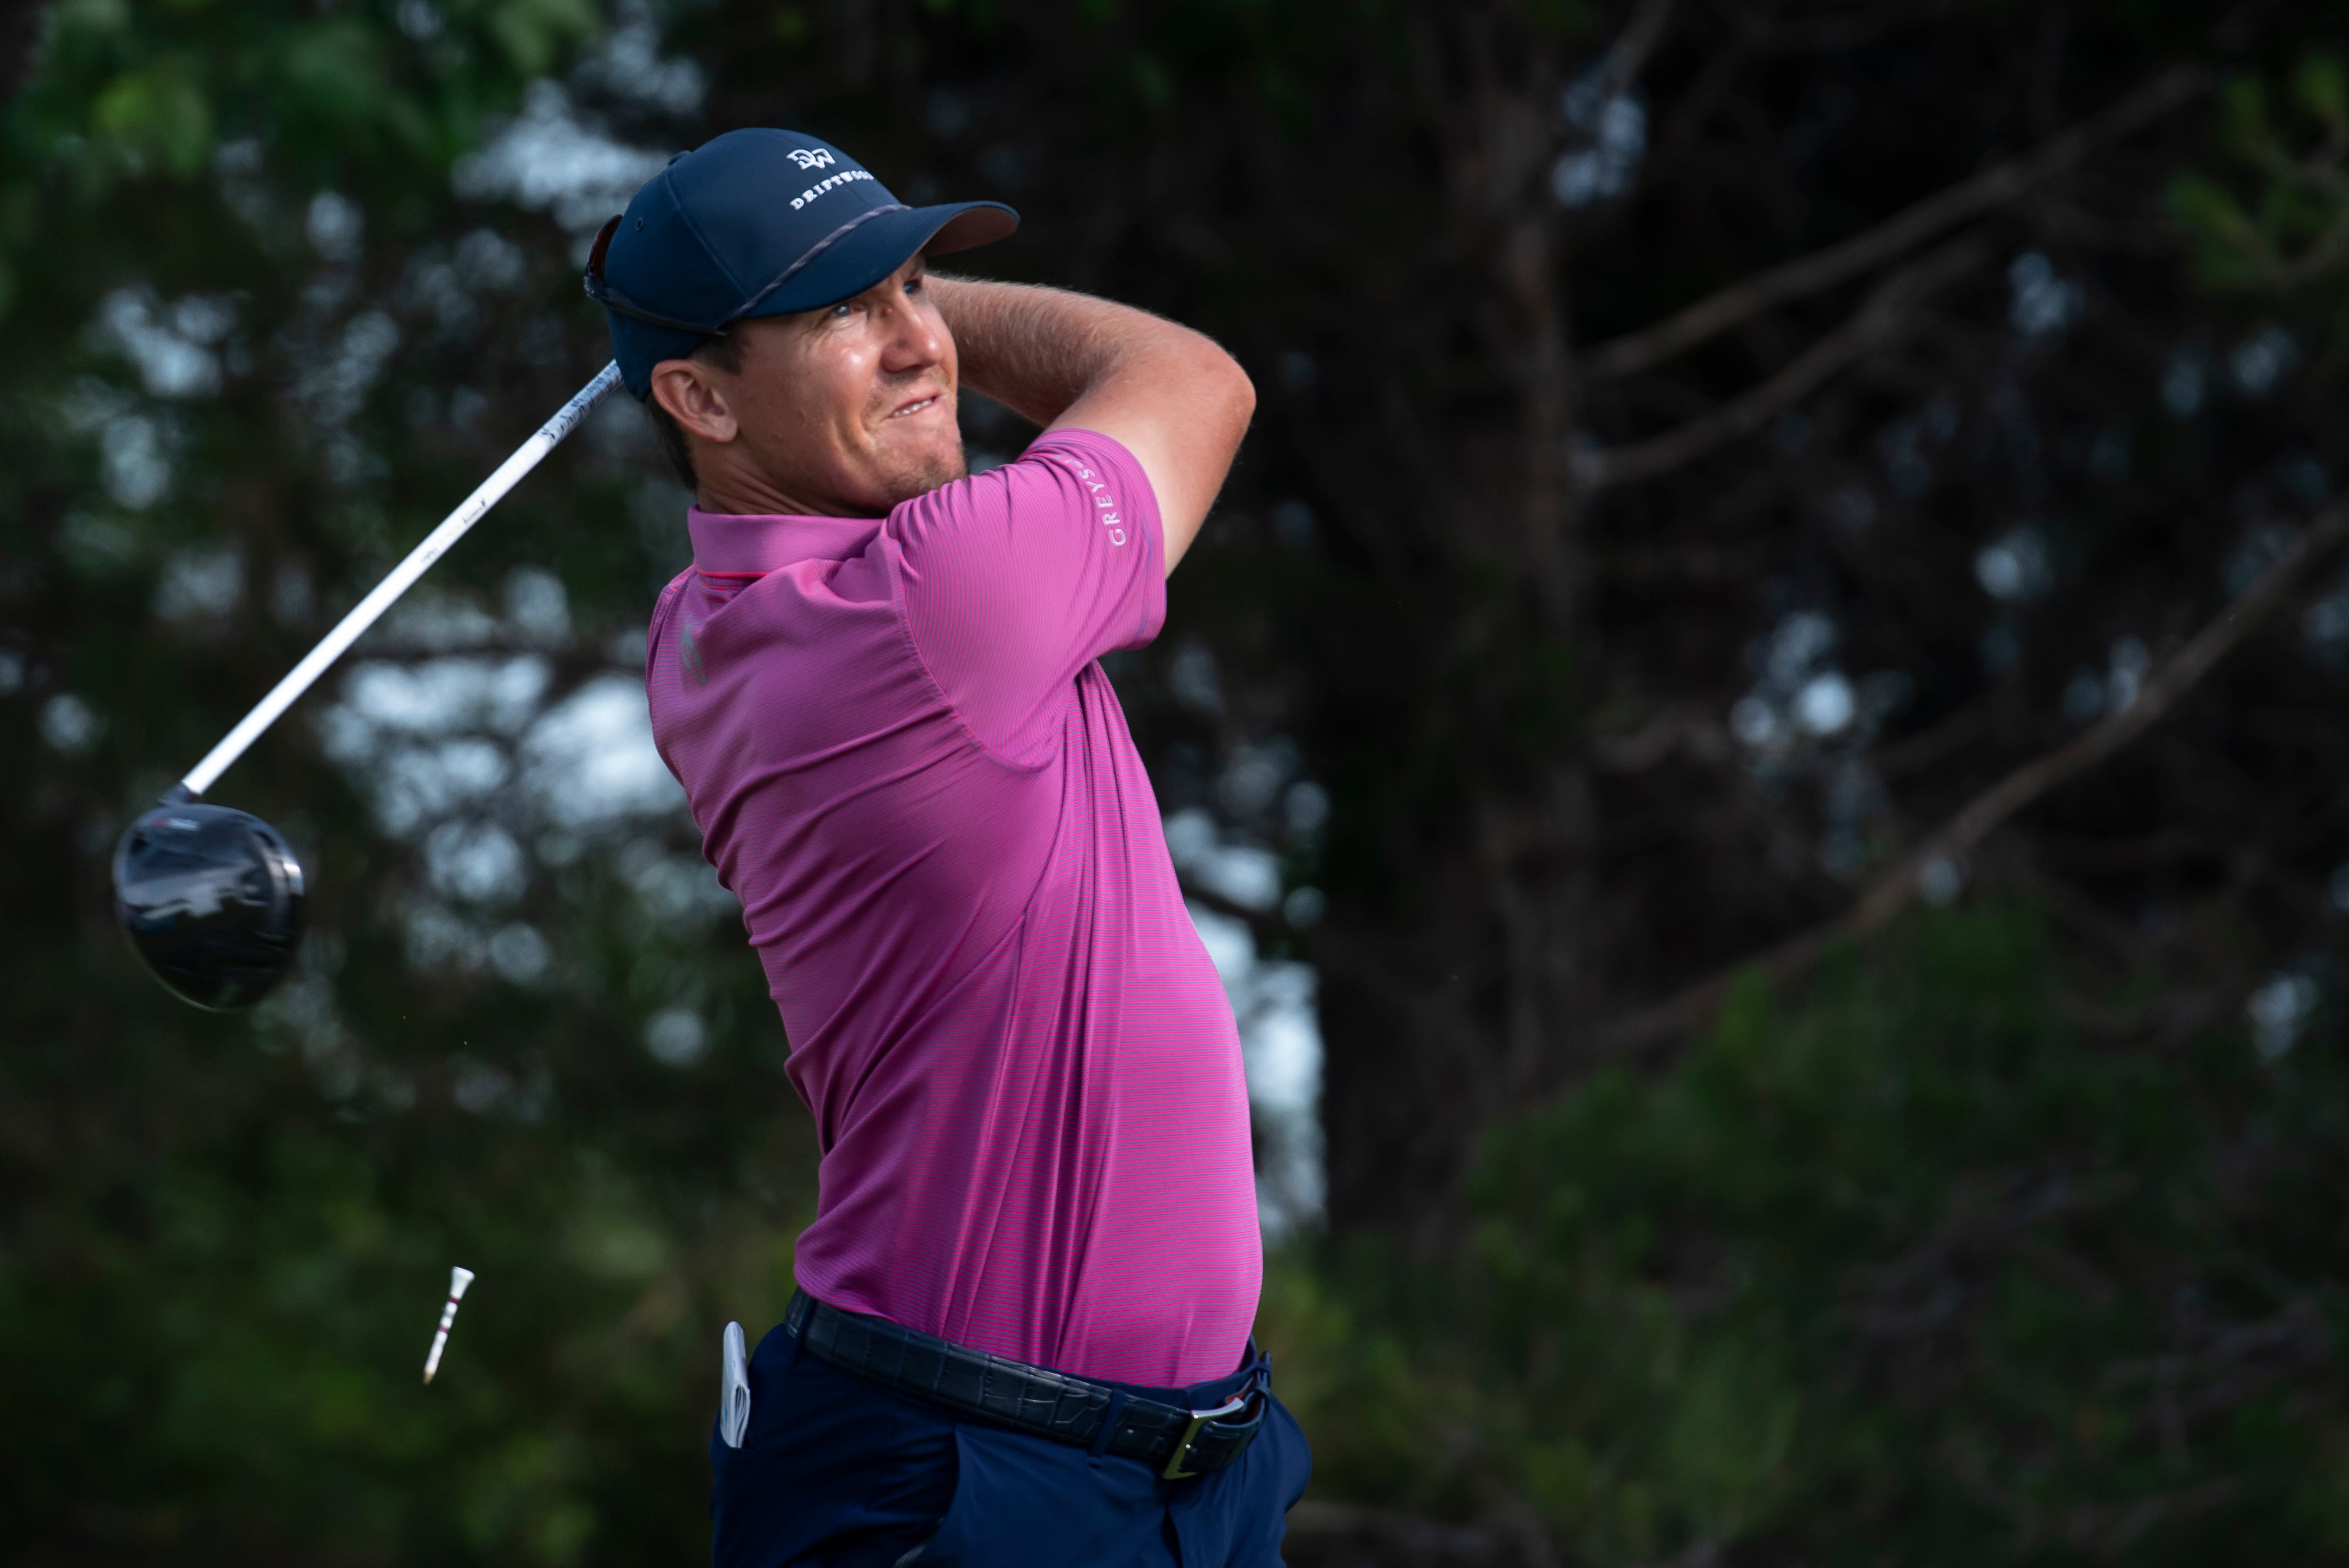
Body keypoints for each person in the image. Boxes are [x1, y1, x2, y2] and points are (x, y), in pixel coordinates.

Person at [585, 128, 1310, 1567]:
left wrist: (857, 318)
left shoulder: (707, 629)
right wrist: (941, 326)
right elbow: (1195, 381)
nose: (919, 342)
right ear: (697, 399)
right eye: (846, 308)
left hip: (1173, 1470)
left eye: (920, 283)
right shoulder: (934, 601)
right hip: (969, 1478)